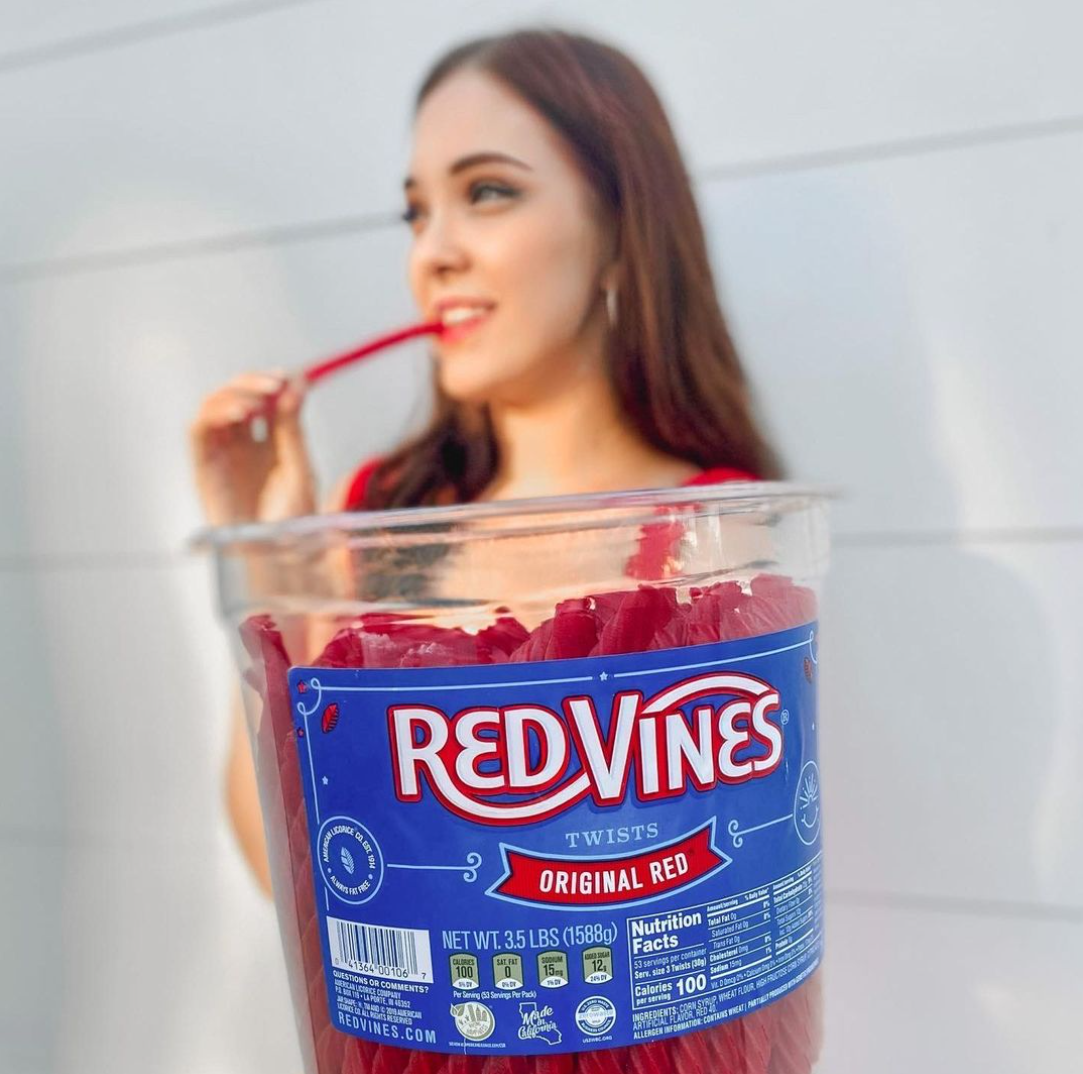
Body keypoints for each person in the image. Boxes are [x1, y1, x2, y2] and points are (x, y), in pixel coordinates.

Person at [189, 28, 781, 895]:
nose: (433, 254)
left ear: (620, 227)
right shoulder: (376, 511)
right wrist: (270, 556)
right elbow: (290, 876)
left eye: (489, 192)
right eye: (416, 213)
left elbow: (723, 887)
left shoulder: (711, 535)